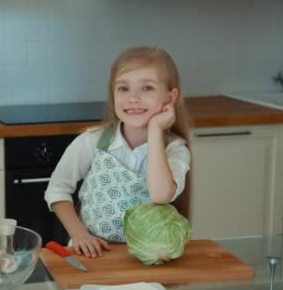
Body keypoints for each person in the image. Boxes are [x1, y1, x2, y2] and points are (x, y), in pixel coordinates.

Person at [44, 46, 192, 259]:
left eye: (147, 88)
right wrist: (80, 235)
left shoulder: (175, 149)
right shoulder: (92, 141)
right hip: (93, 254)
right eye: (123, 89)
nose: (133, 98)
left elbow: (160, 195)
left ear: (170, 98)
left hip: (148, 258)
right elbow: (57, 190)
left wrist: (155, 130)